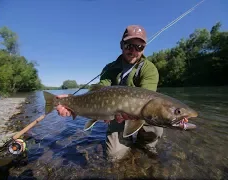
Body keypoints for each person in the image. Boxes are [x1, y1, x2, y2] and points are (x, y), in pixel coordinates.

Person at [56, 25, 164, 161]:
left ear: (144, 48)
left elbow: (148, 100)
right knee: (114, 156)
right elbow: (99, 90)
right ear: (121, 45)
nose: (133, 51)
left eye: (139, 47)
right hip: (115, 114)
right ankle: (126, 143)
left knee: (156, 118)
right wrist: (70, 101)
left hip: (141, 113)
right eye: (129, 45)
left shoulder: (149, 69)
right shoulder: (110, 68)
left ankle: (146, 145)